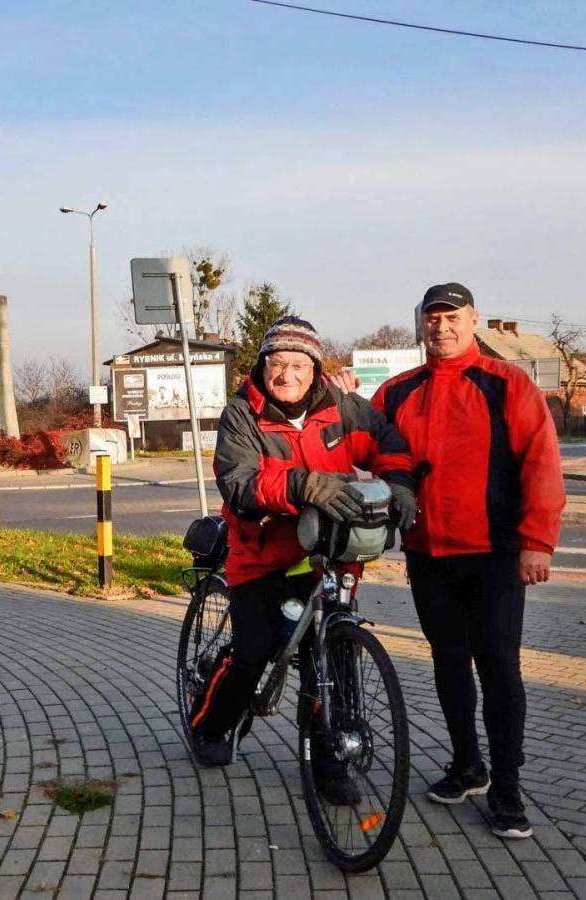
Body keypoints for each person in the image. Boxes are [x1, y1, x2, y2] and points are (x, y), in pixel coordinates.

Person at [187, 316, 416, 805]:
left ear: (315, 369)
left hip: (328, 554)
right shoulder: (242, 415)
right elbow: (239, 483)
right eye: (277, 362)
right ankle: (209, 725)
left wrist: (400, 486)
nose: (286, 374)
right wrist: (302, 484)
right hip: (263, 556)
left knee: (332, 656)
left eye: (298, 364)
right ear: (262, 365)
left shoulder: (341, 407)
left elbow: (388, 444)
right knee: (253, 653)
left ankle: (329, 761)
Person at [369, 283, 565, 839]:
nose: (442, 326)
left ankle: (507, 787)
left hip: (494, 555)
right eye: (433, 318)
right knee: (449, 664)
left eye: (452, 316)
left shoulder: (508, 383)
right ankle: (467, 764)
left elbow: (541, 463)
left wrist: (537, 540)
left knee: (499, 668)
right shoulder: (397, 391)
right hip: (428, 554)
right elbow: (360, 443)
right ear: (422, 324)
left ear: (474, 319)